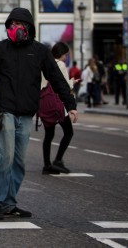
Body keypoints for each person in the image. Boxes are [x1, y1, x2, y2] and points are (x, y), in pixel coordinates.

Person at [0, 7, 77, 221]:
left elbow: (56, 79)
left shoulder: (40, 51)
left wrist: (70, 104)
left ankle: (9, 203)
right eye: (12, 25)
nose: (15, 28)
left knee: (18, 161)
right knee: (5, 158)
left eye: (20, 25)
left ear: (28, 28)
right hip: (5, 111)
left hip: (27, 113)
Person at [40, 42, 77, 175]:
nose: (66, 57)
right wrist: (72, 83)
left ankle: (46, 165)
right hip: (58, 104)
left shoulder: (45, 63)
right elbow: (64, 85)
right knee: (68, 132)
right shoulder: (60, 64)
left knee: (49, 135)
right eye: (66, 54)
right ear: (62, 53)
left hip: (45, 103)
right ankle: (58, 160)